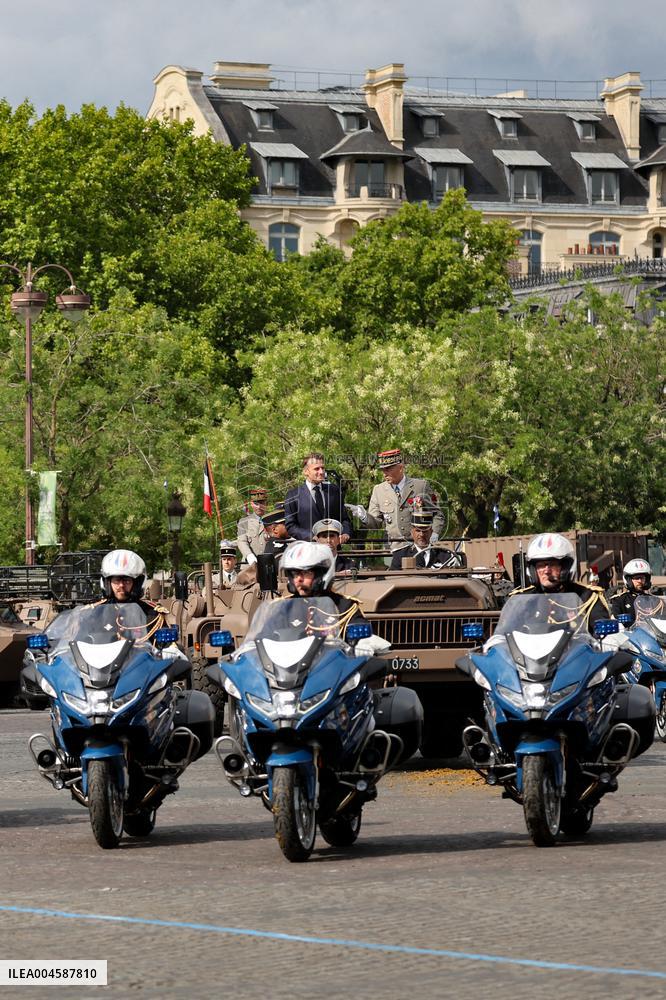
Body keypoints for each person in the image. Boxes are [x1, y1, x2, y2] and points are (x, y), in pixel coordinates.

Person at [511, 532, 612, 633]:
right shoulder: (523, 600)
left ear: (566, 568)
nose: (546, 571)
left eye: (552, 565)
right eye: (541, 565)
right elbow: (505, 632)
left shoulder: (586, 596)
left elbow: (603, 633)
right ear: (533, 570)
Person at [347, 449, 444, 552]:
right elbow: (376, 524)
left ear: (400, 468)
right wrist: (364, 516)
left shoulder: (420, 486)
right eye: (383, 470)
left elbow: (437, 515)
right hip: (393, 549)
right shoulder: (378, 490)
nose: (384, 474)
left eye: (388, 469)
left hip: (419, 547)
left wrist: (434, 533)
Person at [99, 548, 168, 641]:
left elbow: (163, 645)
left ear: (137, 584)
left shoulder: (151, 614)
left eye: (127, 581)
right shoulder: (96, 613)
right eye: (117, 580)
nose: (121, 585)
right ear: (107, 583)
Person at [284, 452, 351, 543]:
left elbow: (345, 519)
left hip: (333, 549)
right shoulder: (293, 495)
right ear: (306, 472)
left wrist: (346, 533)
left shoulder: (334, 490)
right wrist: (312, 537)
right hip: (308, 548)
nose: (321, 472)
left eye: (322, 468)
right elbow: (291, 526)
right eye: (317, 469)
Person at [390, 510, 464, 570]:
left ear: (431, 532)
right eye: (418, 531)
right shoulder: (400, 556)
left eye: (425, 531)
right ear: (412, 532)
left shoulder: (444, 555)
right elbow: (394, 579)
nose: (422, 535)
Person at [610, 558, 653, 624]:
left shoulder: (652, 600)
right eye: (637, 578)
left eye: (642, 578)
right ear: (629, 580)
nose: (640, 581)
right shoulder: (620, 600)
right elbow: (617, 622)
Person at [236, 488, 269, 565]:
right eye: (256, 504)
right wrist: (249, 555)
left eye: (262, 503)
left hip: (268, 564)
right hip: (249, 565)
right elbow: (241, 541)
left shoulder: (272, 520)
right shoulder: (243, 522)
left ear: (266, 504)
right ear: (251, 504)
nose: (259, 507)